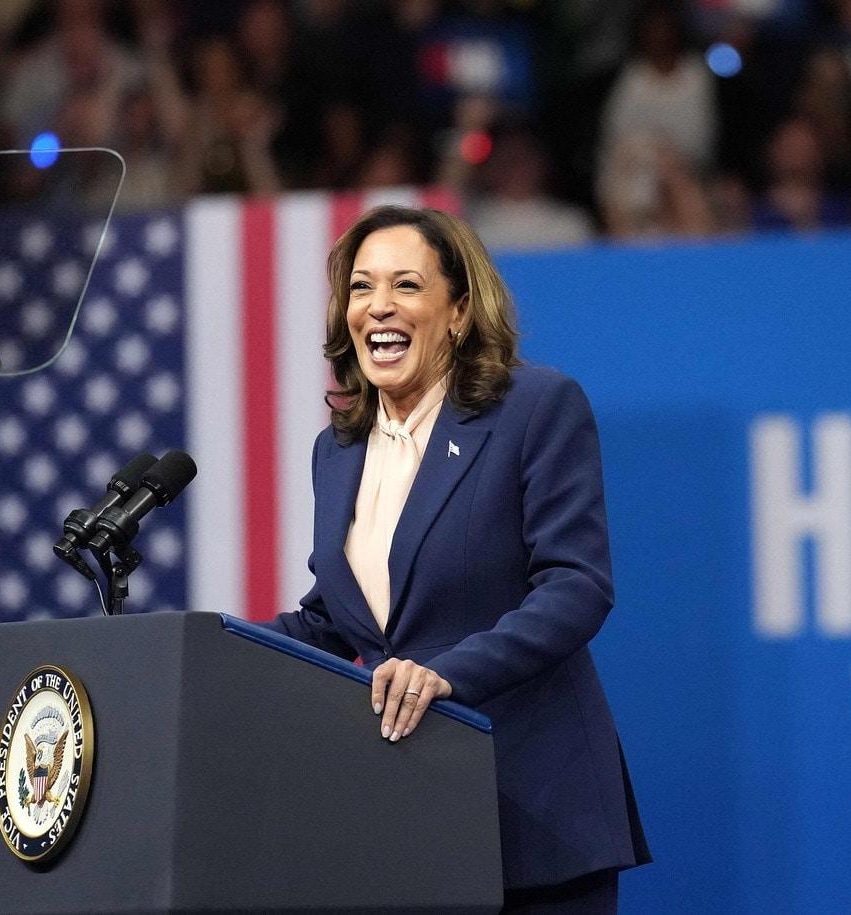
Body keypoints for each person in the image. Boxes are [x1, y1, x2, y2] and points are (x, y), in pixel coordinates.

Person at [269, 206, 649, 911]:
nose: (378, 305)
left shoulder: (534, 407)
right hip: (408, 818)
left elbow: (577, 586)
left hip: (533, 808)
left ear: (458, 312)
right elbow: (335, 615)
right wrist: (204, 643)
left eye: (406, 285)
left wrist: (444, 674)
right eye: (360, 287)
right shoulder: (338, 450)